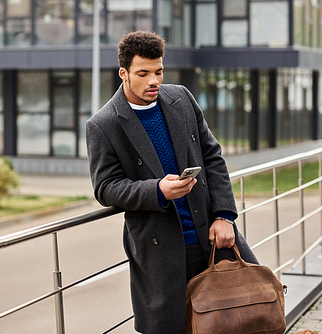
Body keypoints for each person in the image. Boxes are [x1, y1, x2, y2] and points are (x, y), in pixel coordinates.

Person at [85, 31, 258, 334]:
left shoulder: (181, 98)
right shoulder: (103, 124)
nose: (153, 81)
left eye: (159, 71)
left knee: (242, 318)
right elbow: (106, 187)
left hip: (213, 238)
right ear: (123, 73)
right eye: (143, 73)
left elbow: (212, 157)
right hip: (162, 251)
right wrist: (157, 191)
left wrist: (224, 216)